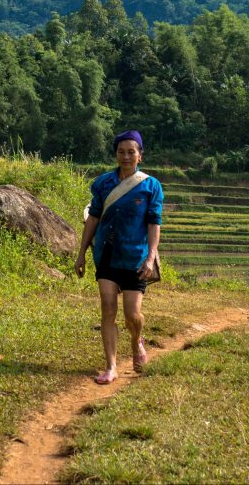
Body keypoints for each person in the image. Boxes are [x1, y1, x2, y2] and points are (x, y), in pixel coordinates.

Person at [74, 130, 164, 384]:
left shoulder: (150, 186)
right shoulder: (103, 183)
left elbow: (153, 223)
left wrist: (150, 257)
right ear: (116, 154)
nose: (126, 156)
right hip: (107, 255)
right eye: (121, 152)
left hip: (135, 257)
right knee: (108, 309)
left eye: (131, 152)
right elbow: (92, 218)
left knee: (132, 315)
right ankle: (111, 366)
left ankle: (137, 343)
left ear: (140, 155)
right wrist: (81, 253)